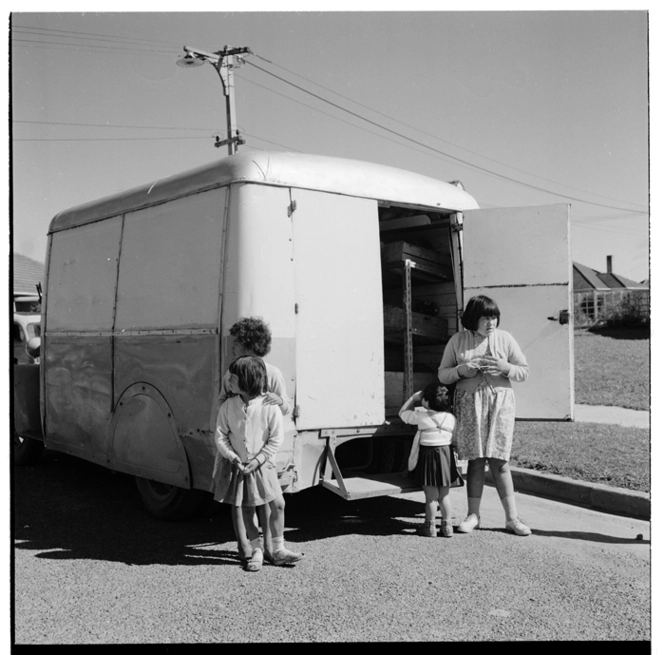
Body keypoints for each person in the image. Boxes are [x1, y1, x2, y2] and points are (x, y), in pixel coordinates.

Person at [438, 295, 531, 536]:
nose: (491, 322)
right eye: (484, 318)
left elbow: (523, 372)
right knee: (476, 460)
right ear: (472, 319)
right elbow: (442, 375)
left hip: (500, 405)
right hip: (470, 405)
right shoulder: (458, 340)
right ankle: (473, 515)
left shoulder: (506, 339)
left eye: (493, 317)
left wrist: (505, 367)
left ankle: (512, 519)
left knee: (500, 461)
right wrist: (461, 370)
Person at [212, 317, 292, 564]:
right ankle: (247, 548)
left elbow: (286, 405)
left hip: (263, 450)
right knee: (241, 503)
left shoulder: (273, 373)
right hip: (237, 448)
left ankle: (270, 547)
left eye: (236, 343)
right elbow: (223, 402)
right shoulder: (232, 373)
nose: (232, 347)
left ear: (250, 345)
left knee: (266, 499)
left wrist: (279, 403)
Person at [399, 383, 463, 537]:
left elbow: (402, 413)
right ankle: (447, 527)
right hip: (446, 457)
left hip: (428, 458)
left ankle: (430, 527)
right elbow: (454, 439)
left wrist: (413, 399)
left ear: (426, 402)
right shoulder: (451, 418)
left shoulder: (421, 416)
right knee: (444, 496)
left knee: (431, 498)